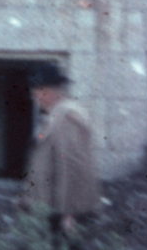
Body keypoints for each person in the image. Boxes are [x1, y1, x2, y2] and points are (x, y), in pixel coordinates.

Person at [19, 62, 100, 236]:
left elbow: (72, 165)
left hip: (62, 214)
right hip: (50, 208)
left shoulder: (66, 116)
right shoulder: (57, 114)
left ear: (46, 92)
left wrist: (69, 213)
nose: (35, 98)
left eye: (36, 92)